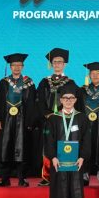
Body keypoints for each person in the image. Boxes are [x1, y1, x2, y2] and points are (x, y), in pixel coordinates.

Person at [35, 48, 81, 186]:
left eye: (60, 62)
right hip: (48, 120)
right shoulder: (44, 82)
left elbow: (74, 101)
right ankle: (47, 176)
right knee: (48, 147)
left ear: (64, 64)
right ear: (51, 64)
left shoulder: (70, 82)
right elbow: (39, 100)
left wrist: (63, 114)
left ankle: (63, 175)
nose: (57, 64)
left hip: (64, 120)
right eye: (54, 62)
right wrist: (47, 114)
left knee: (63, 146)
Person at [43, 91, 90, 198]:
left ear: (75, 100)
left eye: (71, 98)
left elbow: (87, 139)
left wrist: (83, 157)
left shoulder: (82, 118)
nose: (68, 100)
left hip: (76, 160)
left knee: (76, 188)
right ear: (61, 100)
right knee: (58, 187)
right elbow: (48, 140)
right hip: (58, 160)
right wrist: (52, 157)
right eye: (65, 98)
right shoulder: (53, 118)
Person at [0, 53, 35, 187]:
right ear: (10, 67)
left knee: (22, 148)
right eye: (14, 65)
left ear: (23, 66)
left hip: (23, 120)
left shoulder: (29, 83)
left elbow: (32, 103)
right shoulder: (3, 82)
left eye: (19, 65)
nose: (16, 67)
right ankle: (4, 178)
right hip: (6, 120)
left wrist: (30, 121)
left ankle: (22, 178)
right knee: (5, 148)